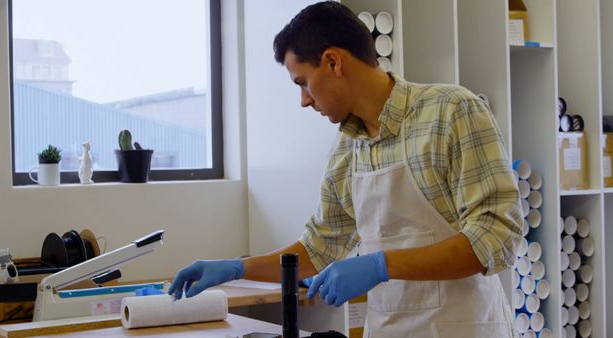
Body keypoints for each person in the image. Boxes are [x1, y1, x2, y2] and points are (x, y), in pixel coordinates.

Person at [169, 2, 523, 337]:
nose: (304, 100)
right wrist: (236, 268)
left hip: (464, 327)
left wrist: (381, 265)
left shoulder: (452, 111)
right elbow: (318, 248)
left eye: (302, 82)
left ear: (334, 62)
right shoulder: (346, 150)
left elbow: (496, 237)